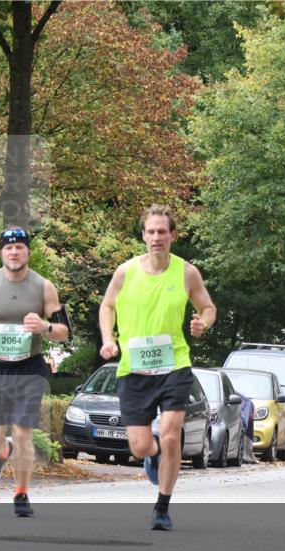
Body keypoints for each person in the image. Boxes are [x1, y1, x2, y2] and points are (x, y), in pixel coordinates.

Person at [98, 204, 216, 530]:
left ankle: (162, 507)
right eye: (150, 232)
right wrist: (109, 338)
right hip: (134, 369)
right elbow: (107, 305)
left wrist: (202, 324)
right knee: (139, 445)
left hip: (174, 365)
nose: (156, 238)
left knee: (170, 435)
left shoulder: (186, 272)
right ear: (143, 236)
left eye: (162, 232)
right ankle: (150, 456)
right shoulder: (125, 272)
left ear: (173, 236)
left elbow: (207, 307)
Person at [0, 227, 69, 517]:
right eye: (9, 248)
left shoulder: (44, 287)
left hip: (29, 368)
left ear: (28, 252)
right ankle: (1, 451)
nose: (14, 252)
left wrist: (45, 327)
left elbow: (64, 331)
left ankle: (21, 494)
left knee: (23, 432)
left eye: (20, 247)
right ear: (1, 253)